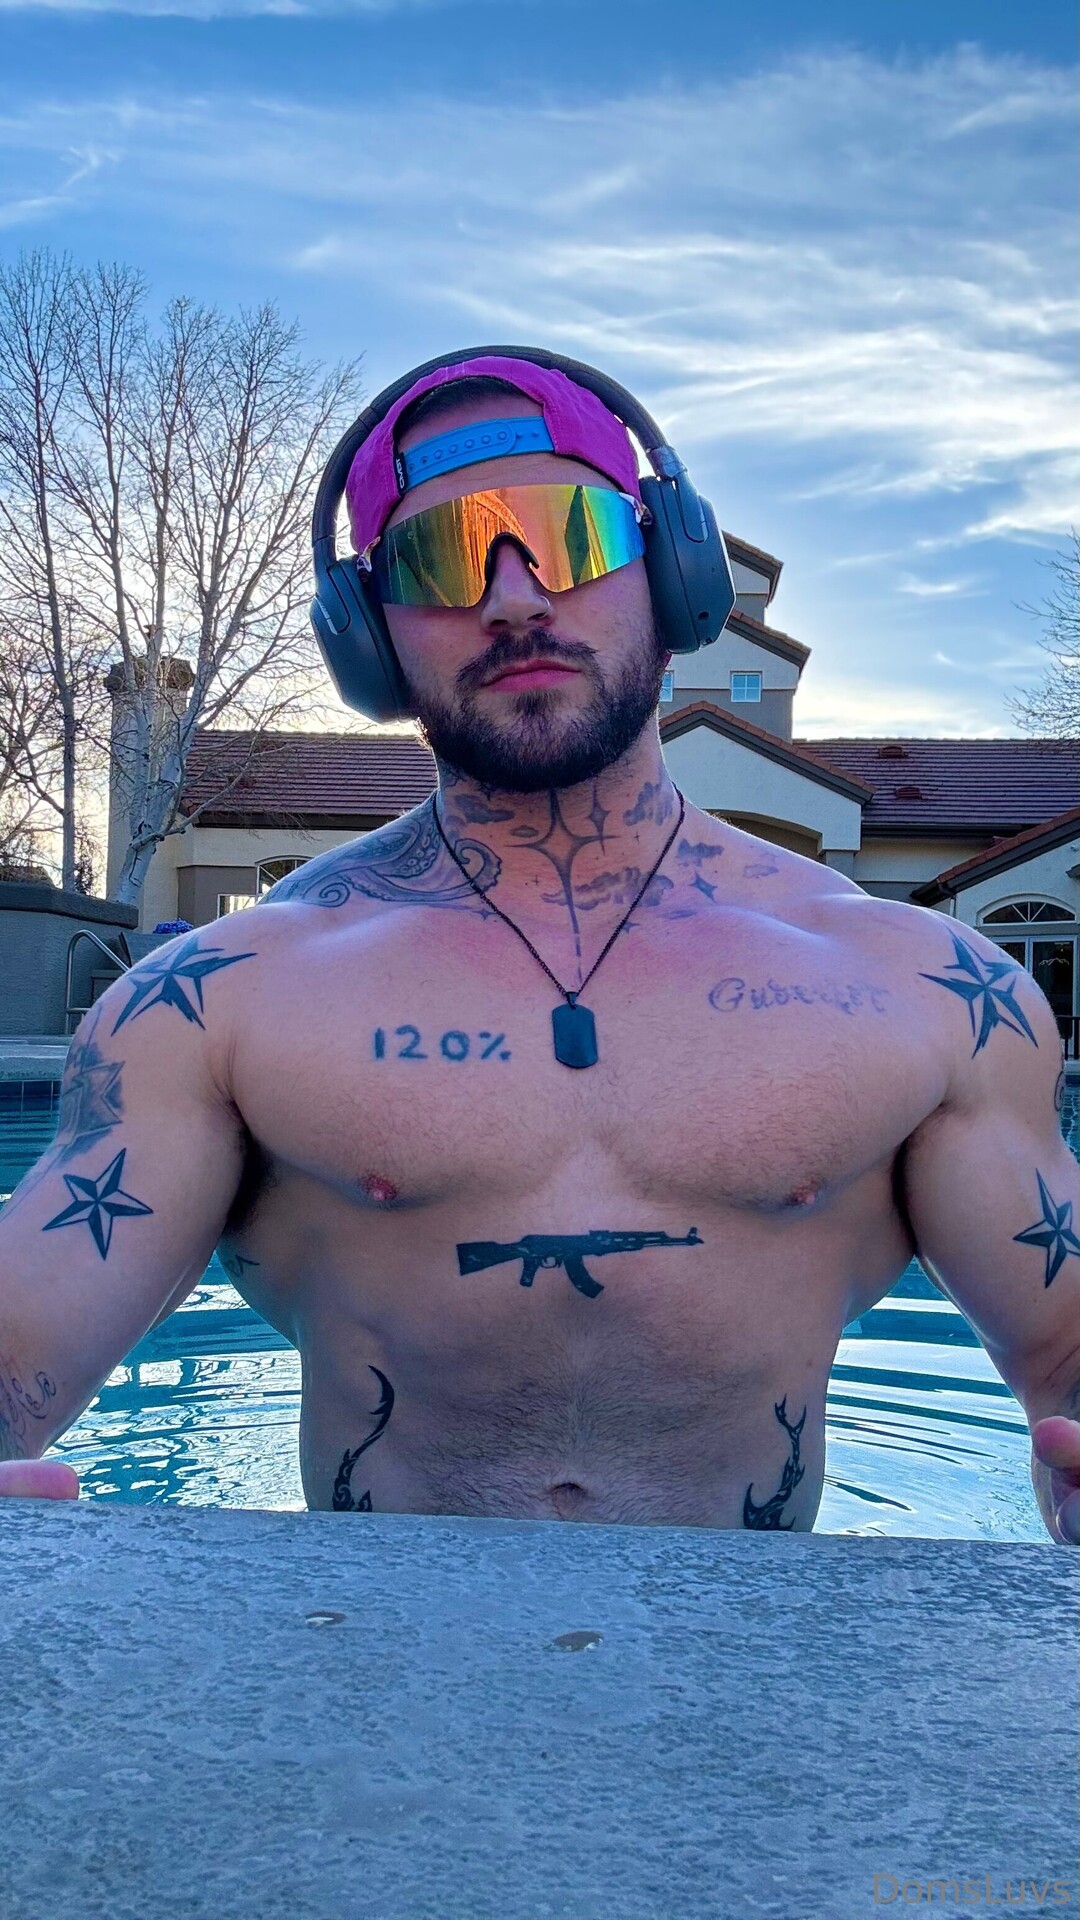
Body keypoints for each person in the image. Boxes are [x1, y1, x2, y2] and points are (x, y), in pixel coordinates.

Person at [1, 353, 1078, 1542]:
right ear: (370, 636)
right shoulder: (221, 1003)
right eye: (440, 558)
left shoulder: (926, 991)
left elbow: (1066, 1352)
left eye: (572, 534)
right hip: (365, 1645)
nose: (514, 599)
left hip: (755, 1652)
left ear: (670, 572)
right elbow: (18, 1348)